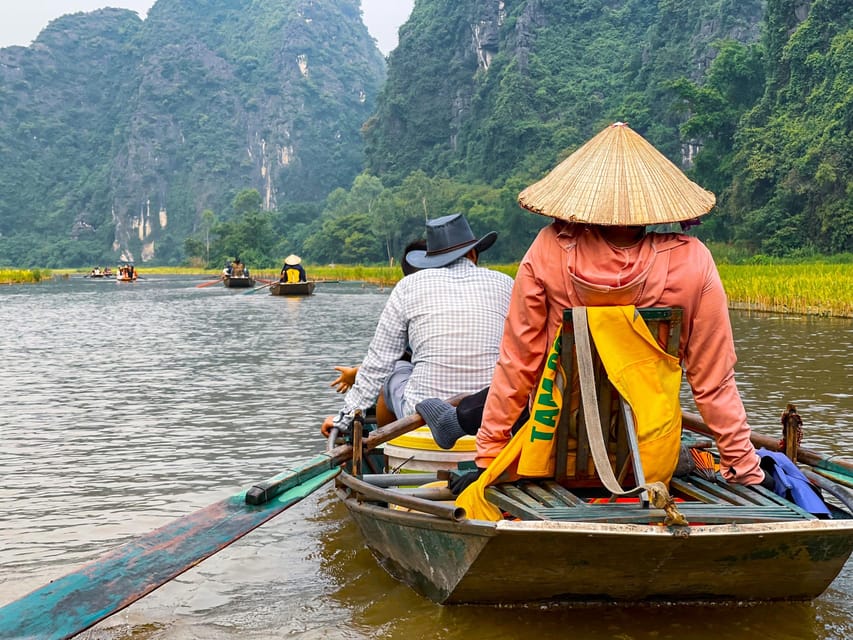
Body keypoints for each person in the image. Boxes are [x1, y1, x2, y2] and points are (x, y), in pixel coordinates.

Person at [454, 122, 768, 494]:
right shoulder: (694, 261)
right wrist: (744, 468)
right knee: (692, 452)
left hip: (557, 454)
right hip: (649, 463)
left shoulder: (547, 250)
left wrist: (489, 455)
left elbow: (518, 364)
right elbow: (714, 382)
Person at [321, 214, 514, 437]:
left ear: (431, 259)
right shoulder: (506, 283)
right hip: (491, 410)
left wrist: (343, 418)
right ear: (473, 253)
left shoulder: (408, 286)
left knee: (394, 371)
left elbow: (379, 361)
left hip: (421, 416)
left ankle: (389, 451)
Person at [328, 239, 428, 422]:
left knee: (388, 381)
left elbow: (386, 363)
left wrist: (343, 417)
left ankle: (385, 443)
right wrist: (357, 373)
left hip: (423, 399)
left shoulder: (406, 293)